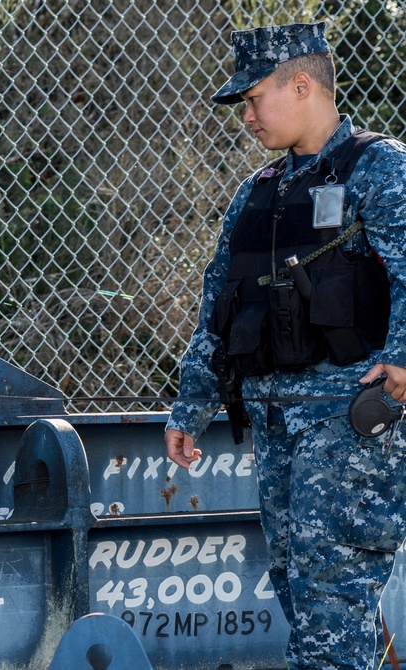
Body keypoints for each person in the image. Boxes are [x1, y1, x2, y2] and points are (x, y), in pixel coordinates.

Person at [165, 22, 406, 669]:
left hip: (346, 422)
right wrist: (192, 406)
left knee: (332, 606)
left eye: (253, 98)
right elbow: (219, 306)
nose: (246, 115)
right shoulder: (258, 194)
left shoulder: (379, 167)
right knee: (303, 604)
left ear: (303, 84)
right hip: (275, 422)